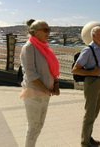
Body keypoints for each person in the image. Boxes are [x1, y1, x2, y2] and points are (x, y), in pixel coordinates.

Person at [20, 19, 60, 147]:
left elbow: (52, 69)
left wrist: (55, 85)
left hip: (45, 93)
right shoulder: (29, 48)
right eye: (46, 30)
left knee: (39, 126)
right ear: (35, 32)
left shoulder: (44, 48)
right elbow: (31, 74)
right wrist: (46, 89)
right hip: (34, 93)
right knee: (33, 127)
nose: (49, 33)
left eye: (49, 29)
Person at [72, 26, 100, 147]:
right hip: (92, 83)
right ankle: (85, 143)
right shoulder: (88, 50)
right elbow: (75, 70)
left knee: (95, 113)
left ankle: (89, 137)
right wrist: (91, 73)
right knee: (90, 113)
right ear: (93, 36)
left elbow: (99, 65)